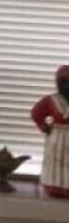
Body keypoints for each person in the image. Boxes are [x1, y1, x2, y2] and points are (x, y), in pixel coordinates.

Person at [31, 66, 69, 198]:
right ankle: (55, 186)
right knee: (56, 162)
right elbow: (36, 112)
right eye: (64, 82)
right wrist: (43, 126)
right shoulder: (51, 100)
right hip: (57, 137)